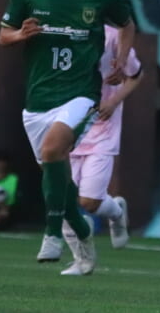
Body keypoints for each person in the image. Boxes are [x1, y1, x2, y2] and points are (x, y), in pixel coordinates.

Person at [0, 0, 135, 275]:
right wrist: (20, 35)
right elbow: (3, 36)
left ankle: (51, 235)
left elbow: (127, 24)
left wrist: (121, 57)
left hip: (81, 95)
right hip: (38, 102)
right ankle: (85, 244)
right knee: (63, 186)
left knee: (53, 150)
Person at [59, 24, 143, 274]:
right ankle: (81, 260)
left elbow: (136, 75)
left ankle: (116, 212)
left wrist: (114, 101)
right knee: (61, 199)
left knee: (89, 202)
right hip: (68, 127)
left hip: (102, 130)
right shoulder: (60, 31)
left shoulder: (114, 37)